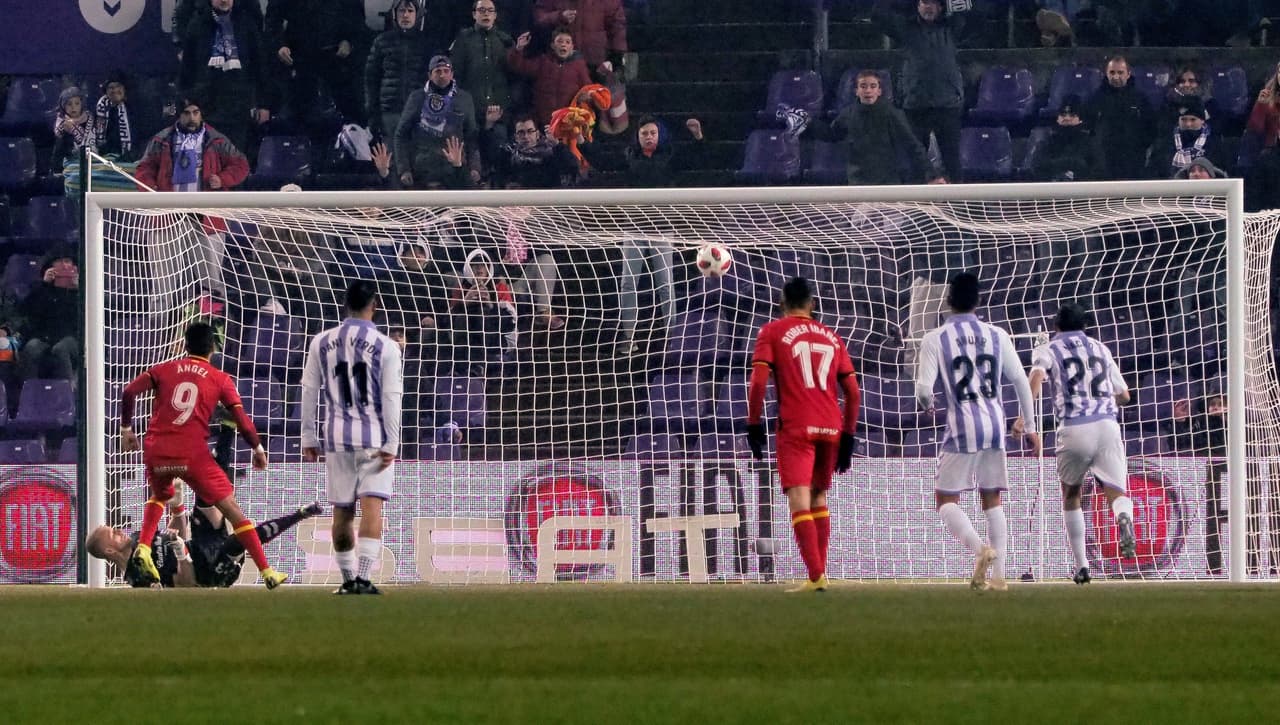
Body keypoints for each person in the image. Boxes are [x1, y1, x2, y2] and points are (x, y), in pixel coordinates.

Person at [118, 322, 287, 589]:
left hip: (157, 449)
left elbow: (128, 391)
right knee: (233, 511)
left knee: (160, 496)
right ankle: (267, 571)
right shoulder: (220, 378)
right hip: (192, 454)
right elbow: (241, 419)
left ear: (186, 346)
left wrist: (127, 429)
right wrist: (257, 448)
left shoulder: (163, 369)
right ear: (213, 349)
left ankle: (144, 549)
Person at [914, 272, 1040, 592]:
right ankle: (999, 577)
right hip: (995, 425)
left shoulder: (935, 338)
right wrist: (1030, 426)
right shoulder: (997, 335)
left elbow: (924, 389)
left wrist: (928, 404)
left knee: (946, 500)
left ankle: (979, 549)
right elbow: (1021, 381)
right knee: (992, 498)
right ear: (979, 301)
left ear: (947, 301)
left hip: (962, 426)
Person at [744, 277, 861, 593]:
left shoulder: (771, 332)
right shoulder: (832, 337)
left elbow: (758, 382)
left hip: (796, 425)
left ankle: (816, 575)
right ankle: (819, 575)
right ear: (812, 304)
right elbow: (852, 391)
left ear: (782, 303)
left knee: (799, 496)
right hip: (831, 426)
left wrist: (753, 423)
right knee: (818, 495)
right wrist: (848, 435)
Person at [300, 280, 404, 595]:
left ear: (345, 304)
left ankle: (347, 581)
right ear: (375, 305)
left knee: (342, 512)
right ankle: (364, 578)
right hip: (373, 438)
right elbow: (391, 397)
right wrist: (392, 442)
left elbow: (309, 389)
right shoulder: (387, 346)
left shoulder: (321, 341)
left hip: (336, 438)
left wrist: (308, 436)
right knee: (372, 508)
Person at [1021, 302, 1136, 585]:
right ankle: (1123, 516)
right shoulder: (1101, 348)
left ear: (1056, 326)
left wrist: (1024, 417)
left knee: (1071, 495)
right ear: (1085, 325)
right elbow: (1125, 396)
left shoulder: (1049, 348)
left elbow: (1037, 376)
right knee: (1116, 491)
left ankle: (1082, 566)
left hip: (1074, 427)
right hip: (1107, 426)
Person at [87, 496, 323, 588]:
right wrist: (181, 553)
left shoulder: (140, 539)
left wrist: (178, 509)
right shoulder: (138, 578)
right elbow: (186, 584)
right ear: (110, 551)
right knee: (238, 541)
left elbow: (175, 533)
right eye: (113, 534)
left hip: (202, 545)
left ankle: (227, 428)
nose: (119, 530)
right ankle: (299, 515)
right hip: (210, 575)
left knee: (208, 494)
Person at [870, 0, 965, 182]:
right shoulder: (905, 28)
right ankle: (914, 201)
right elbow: (878, 15)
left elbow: (979, 13)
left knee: (953, 162)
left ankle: (959, 200)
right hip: (915, 105)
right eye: (924, 2)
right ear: (917, 5)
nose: (928, 7)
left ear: (941, 7)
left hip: (948, 105)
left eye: (933, 3)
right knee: (915, 163)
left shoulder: (953, 27)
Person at [824, 69, 941, 185]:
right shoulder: (847, 114)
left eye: (873, 86)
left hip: (887, 181)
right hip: (857, 181)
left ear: (879, 91)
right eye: (863, 86)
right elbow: (831, 134)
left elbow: (912, 145)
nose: (868, 90)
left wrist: (932, 175)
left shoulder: (891, 113)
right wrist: (812, 125)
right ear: (856, 91)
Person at [134, 96, 250, 192]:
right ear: (179, 115)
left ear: (201, 114)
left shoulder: (216, 140)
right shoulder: (161, 140)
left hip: (206, 208)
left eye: (195, 113)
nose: (192, 118)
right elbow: (145, 168)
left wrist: (222, 179)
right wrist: (150, 187)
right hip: (170, 208)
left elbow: (241, 165)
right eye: (186, 113)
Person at [1169, 390, 1227, 575]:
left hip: (1229, 479)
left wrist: (1224, 421)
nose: (1216, 408)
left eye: (1221, 404)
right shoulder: (1200, 425)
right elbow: (1180, 445)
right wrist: (1180, 421)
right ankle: (1211, 565)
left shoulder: (1241, 427)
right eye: (1213, 404)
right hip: (1204, 480)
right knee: (1208, 522)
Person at [365, 0, 433, 141]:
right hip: (389, 114)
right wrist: (373, 116)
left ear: (417, 15)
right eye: (402, 11)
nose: (405, 15)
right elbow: (371, 81)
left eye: (410, 11)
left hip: (418, 114)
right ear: (394, 14)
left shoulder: (427, 44)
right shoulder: (381, 42)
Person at [1086, 55, 1156, 181]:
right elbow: (1090, 127)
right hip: (1103, 162)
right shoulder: (1096, 99)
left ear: (1128, 74)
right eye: (1112, 72)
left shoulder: (1140, 99)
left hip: (1134, 161)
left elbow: (1150, 127)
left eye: (1120, 72)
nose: (1116, 76)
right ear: (1106, 74)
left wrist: (1140, 146)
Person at [506, 27, 592, 126]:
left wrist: (586, 96)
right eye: (559, 41)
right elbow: (519, 66)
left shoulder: (579, 65)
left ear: (572, 47)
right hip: (543, 120)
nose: (563, 44)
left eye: (567, 42)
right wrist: (518, 48)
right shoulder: (543, 62)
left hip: (568, 122)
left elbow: (588, 88)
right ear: (553, 46)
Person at [1148, 95, 1227, 179]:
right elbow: (1153, 172)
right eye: (1184, 119)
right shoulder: (1164, 144)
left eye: (1193, 119)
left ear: (1202, 120)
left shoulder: (1215, 144)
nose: (1188, 124)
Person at [1032, 94, 1104, 182]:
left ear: (1080, 119)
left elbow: (1098, 172)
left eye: (1072, 115)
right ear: (1058, 118)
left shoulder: (1090, 143)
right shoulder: (1047, 142)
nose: (1067, 118)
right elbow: (1037, 168)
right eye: (1063, 114)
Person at [50, 87, 97, 172]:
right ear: (63, 106)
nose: (73, 107)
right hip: (70, 165)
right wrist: (67, 134)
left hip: (95, 163)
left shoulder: (92, 119)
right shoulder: (60, 124)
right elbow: (59, 152)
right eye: (69, 104)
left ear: (82, 104)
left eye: (77, 103)